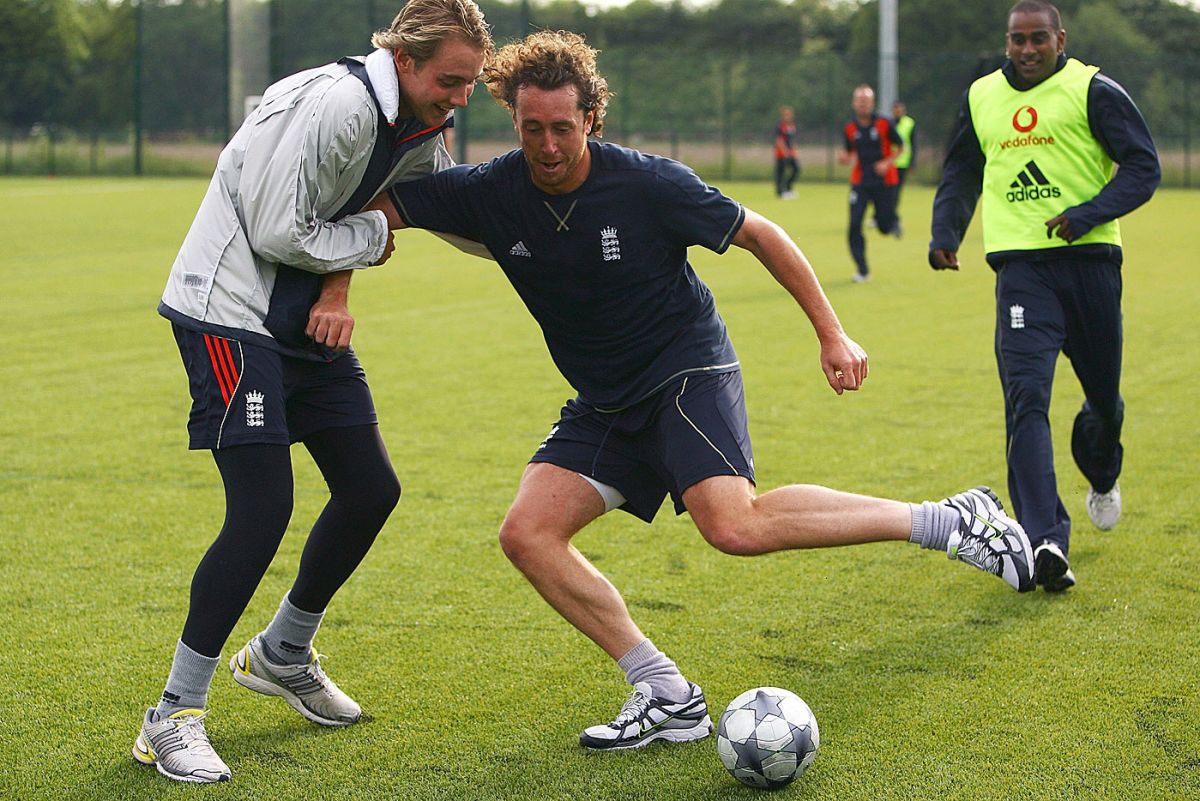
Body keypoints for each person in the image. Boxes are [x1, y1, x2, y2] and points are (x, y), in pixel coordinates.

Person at [351, 30, 1033, 752]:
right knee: (527, 534)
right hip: (607, 397)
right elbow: (375, 208)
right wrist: (334, 287)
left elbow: (762, 233)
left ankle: (950, 520)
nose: (547, 144)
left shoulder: (646, 182)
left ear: (590, 118)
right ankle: (666, 693)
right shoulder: (490, 191)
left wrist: (832, 334)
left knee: (733, 524)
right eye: (531, 129)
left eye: (562, 126)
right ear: (512, 123)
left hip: (684, 367)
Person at [134, 0, 492, 783]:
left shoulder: (423, 119)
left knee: (370, 488)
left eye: (469, 84)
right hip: (228, 312)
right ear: (404, 58)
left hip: (300, 315)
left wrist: (528, 232)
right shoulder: (340, 107)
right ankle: (173, 714)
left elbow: (428, 205)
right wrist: (372, 240)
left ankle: (283, 653)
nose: (461, 97)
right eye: (451, 81)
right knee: (263, 508)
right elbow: (277, 227)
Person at [929, 0, 1159, 592]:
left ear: (1061, 39)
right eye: (1016, 40)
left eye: (1038, 39)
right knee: (1026, 400)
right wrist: (945, 232)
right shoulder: (982, 96)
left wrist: (1089, 212)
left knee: (1103, 404)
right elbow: (960, 169)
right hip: (1022, 273)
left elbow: (1143, 166)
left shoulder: (1094, 90)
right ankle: (1043, 540)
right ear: (1005, 42)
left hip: (1092, 266)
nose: (1027, 50)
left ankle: (1103, 473)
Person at [838, 84, 904, 282]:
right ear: (854, 103)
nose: (863, 104)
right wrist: (845, 158)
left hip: (885, 181)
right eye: (859, 100)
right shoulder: (849, 127)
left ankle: (892, 221)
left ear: (872, 103)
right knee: (854, 225)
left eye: (866, 101)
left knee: (884, 226)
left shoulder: (885, 123)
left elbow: (900, 147)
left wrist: (886, 163)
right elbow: (850, 152)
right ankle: (862, 270)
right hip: (861, 181)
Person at [891, 100, 916, 205]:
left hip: (903, 162)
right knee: (887, 190)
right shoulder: (888, 123)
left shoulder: (909, 123)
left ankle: (892, 216)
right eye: (895, 109)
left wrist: (912, 162)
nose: (897, 112)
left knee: (897, 191)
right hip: (890, 162)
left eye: (899, 109)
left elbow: (913, 143)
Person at [773, 105, 800, 199]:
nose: (787, 116)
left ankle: (788, 188)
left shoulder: (792, 126)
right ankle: (781, 192)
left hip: (791, 153)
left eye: (789, 114)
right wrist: (785, 151)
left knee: (796, 169)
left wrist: (794, 150)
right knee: (781, 172)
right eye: (785, 114)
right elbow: (778, 140)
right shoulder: (780, 126)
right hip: (781, 153)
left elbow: (793, 140)